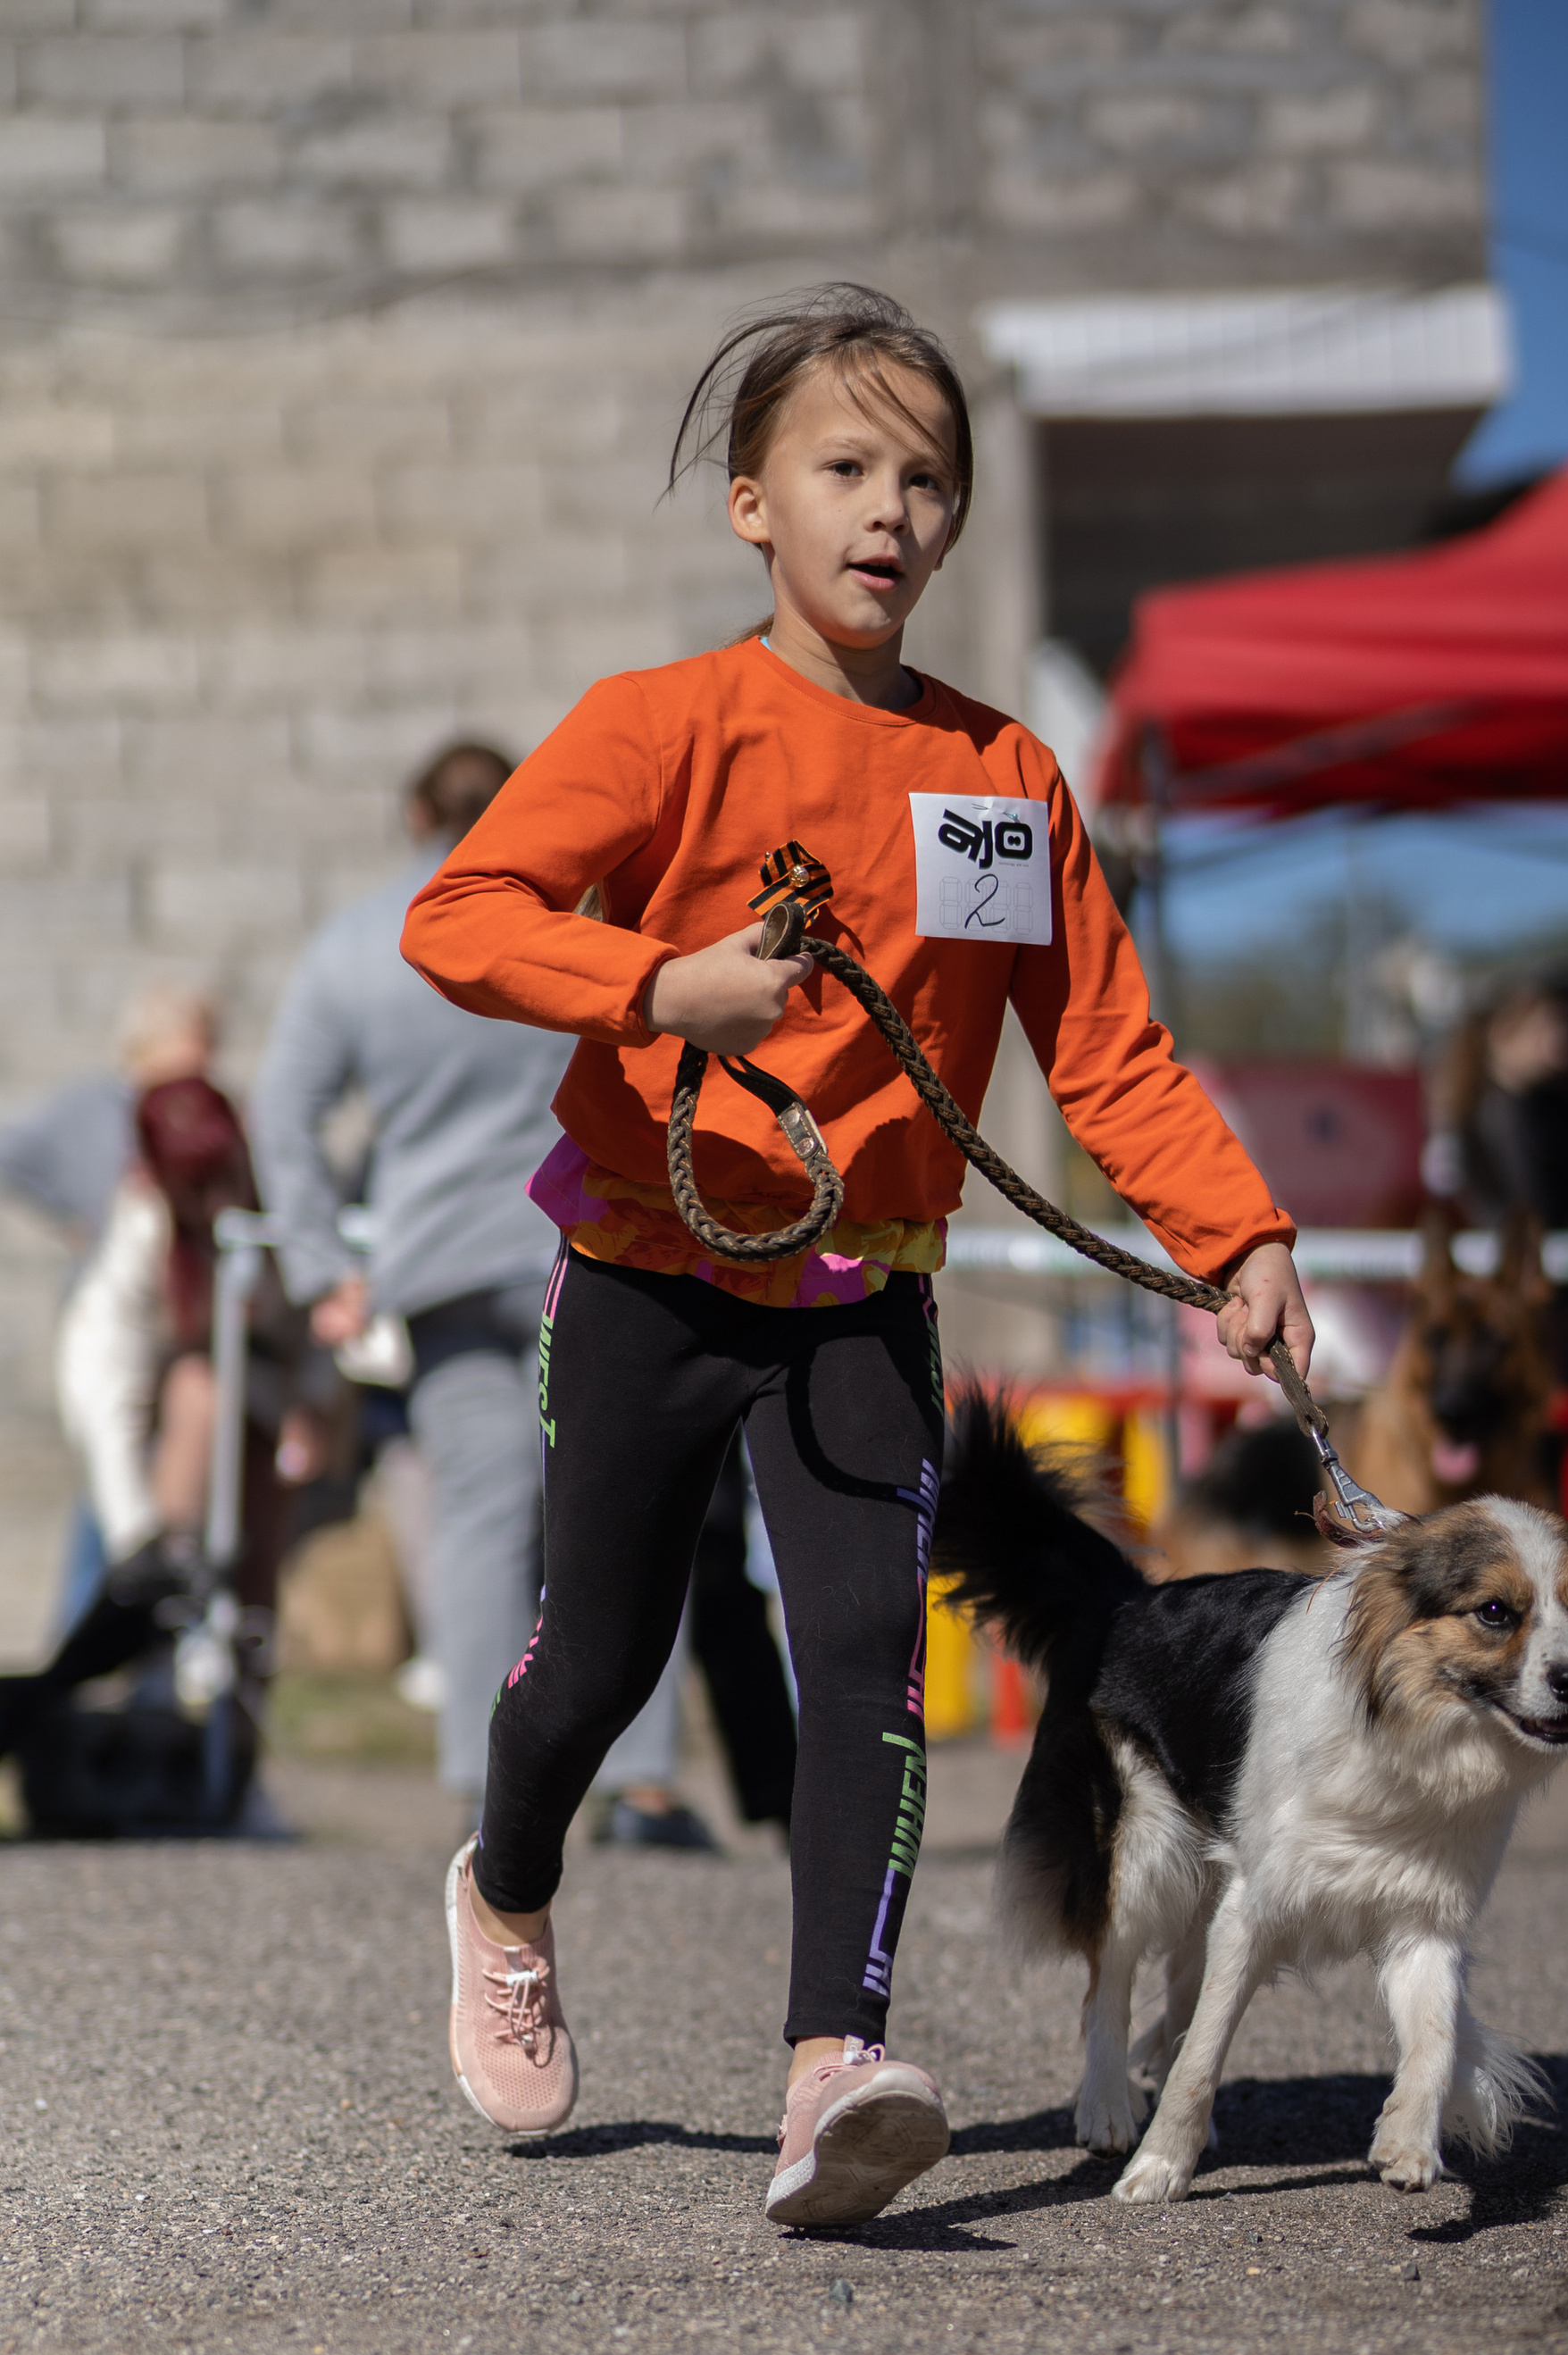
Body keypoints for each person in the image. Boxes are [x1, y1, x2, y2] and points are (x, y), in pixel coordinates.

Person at [402, 280, 1312, 2230]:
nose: (888, 509)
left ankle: (834, 2068)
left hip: (862, 1293)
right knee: (595, 1665)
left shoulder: (1002, 778)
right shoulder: (665, 724)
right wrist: (663, 983)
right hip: (649, 1266)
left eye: (926, 477)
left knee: (860, 1665)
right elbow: (460, 918)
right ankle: (504, 1885)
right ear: (752, 503)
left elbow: (1106, 1047)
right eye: (843, 468)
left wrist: (1232, 1232)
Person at [251, 740, 715, 1840]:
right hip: (601, 1247)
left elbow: (284, 1110)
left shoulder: (360, 942)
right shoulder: (581, 924)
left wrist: (322, 1266)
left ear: (412, 814)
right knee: (625, 1513)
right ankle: (642, 1785)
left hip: (446, 1264)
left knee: (477, 1520)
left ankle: (482, 1783)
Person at [54, 1065, 330, 1631]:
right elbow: (103, 1376)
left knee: (256, 1576)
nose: (216, 1205)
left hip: (281, 1396)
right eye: (195, 1187)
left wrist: (316, 1402)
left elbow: (334, 1310)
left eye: (224, 1175)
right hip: (186, 1410)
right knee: (199, 1390)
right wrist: (138, 1534)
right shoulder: (144, 1228)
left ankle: (242, 1666)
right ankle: (173, 1595)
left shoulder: (287, 1191)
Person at [1, 983, 219, 1628]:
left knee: (154, 1494)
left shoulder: (205, 1118)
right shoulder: (91, 1111)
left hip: (176, 1327)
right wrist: (73, 1216)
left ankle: (145, 1644)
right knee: (112, 1493)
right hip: (110, 1322)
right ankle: (83, 1642)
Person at [1426, 971, 1568, 1388]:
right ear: (1506, 1033)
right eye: (1558, 1025)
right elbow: (1528, 1212)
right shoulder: (1504, 1116)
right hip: (1550, 1307)